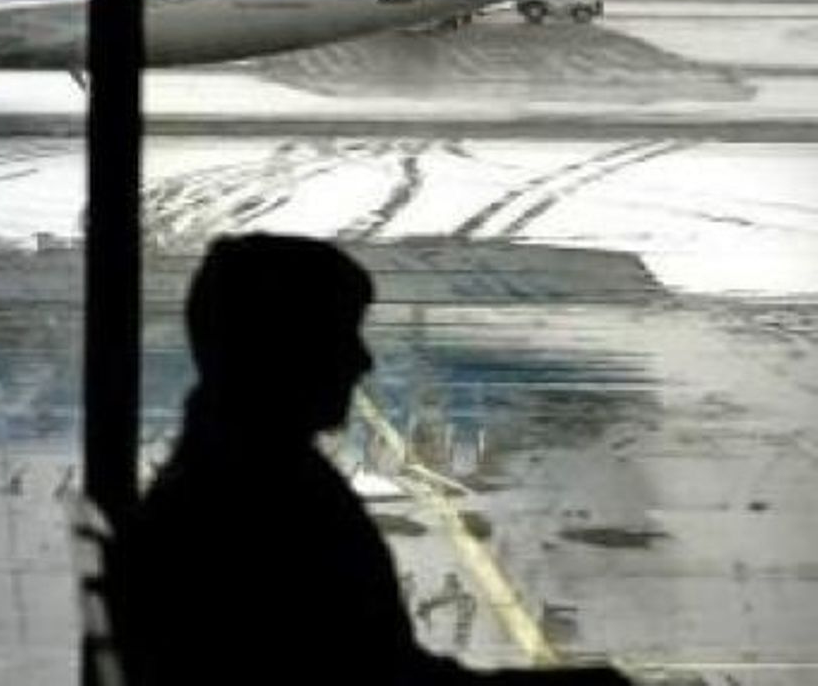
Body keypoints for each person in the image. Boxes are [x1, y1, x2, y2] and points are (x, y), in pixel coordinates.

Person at [112, 234, 627, 685]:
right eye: (338, 335)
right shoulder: (268, 504)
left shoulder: (225, 480)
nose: (362, 359)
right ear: (284, 352)